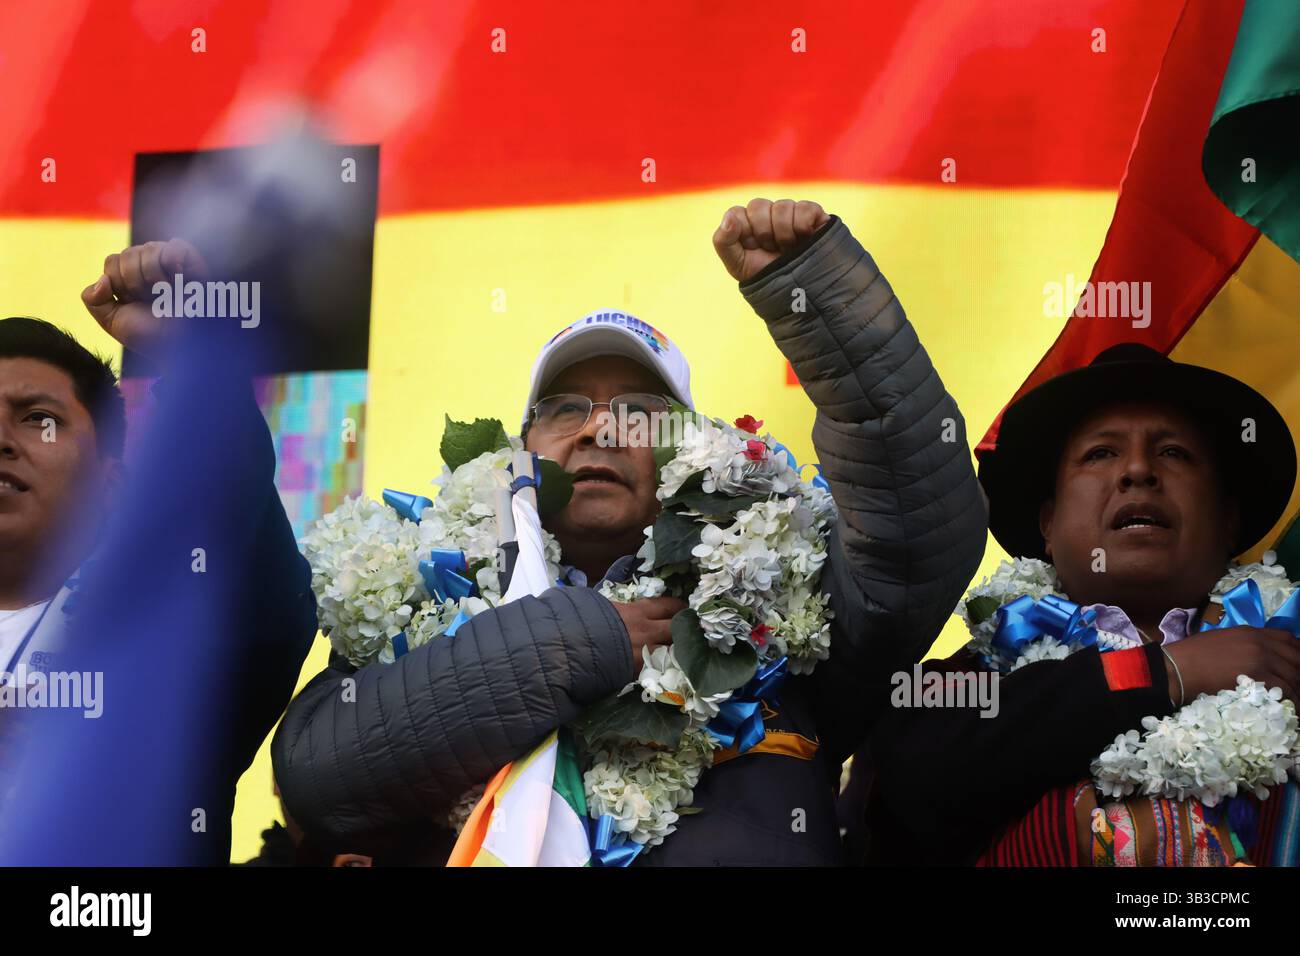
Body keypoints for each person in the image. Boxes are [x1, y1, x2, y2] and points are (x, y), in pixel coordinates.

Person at [272, 198, 987, 865]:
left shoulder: (783, 599)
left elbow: (916, 541)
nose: (598, 428)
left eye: (641, 411)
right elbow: (318, 774)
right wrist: (578, 642)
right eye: (564, 408)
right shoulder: (422, 593)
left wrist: (821, 301)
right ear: (516, 453)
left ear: (696, 455)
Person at [867, 343, 1300, 866]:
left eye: (1173, 452)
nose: (1138, 470)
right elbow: (912, 789)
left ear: (1229, 520)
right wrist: (1163, 673)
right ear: (1048, 524)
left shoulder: (1289, 661)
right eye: (1101, 453)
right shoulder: (960, 689)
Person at [0, 238, 317, 864]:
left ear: (114, 482)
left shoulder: (168, 655)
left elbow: (248, 563)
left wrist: (196, 364)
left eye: (37, 418)